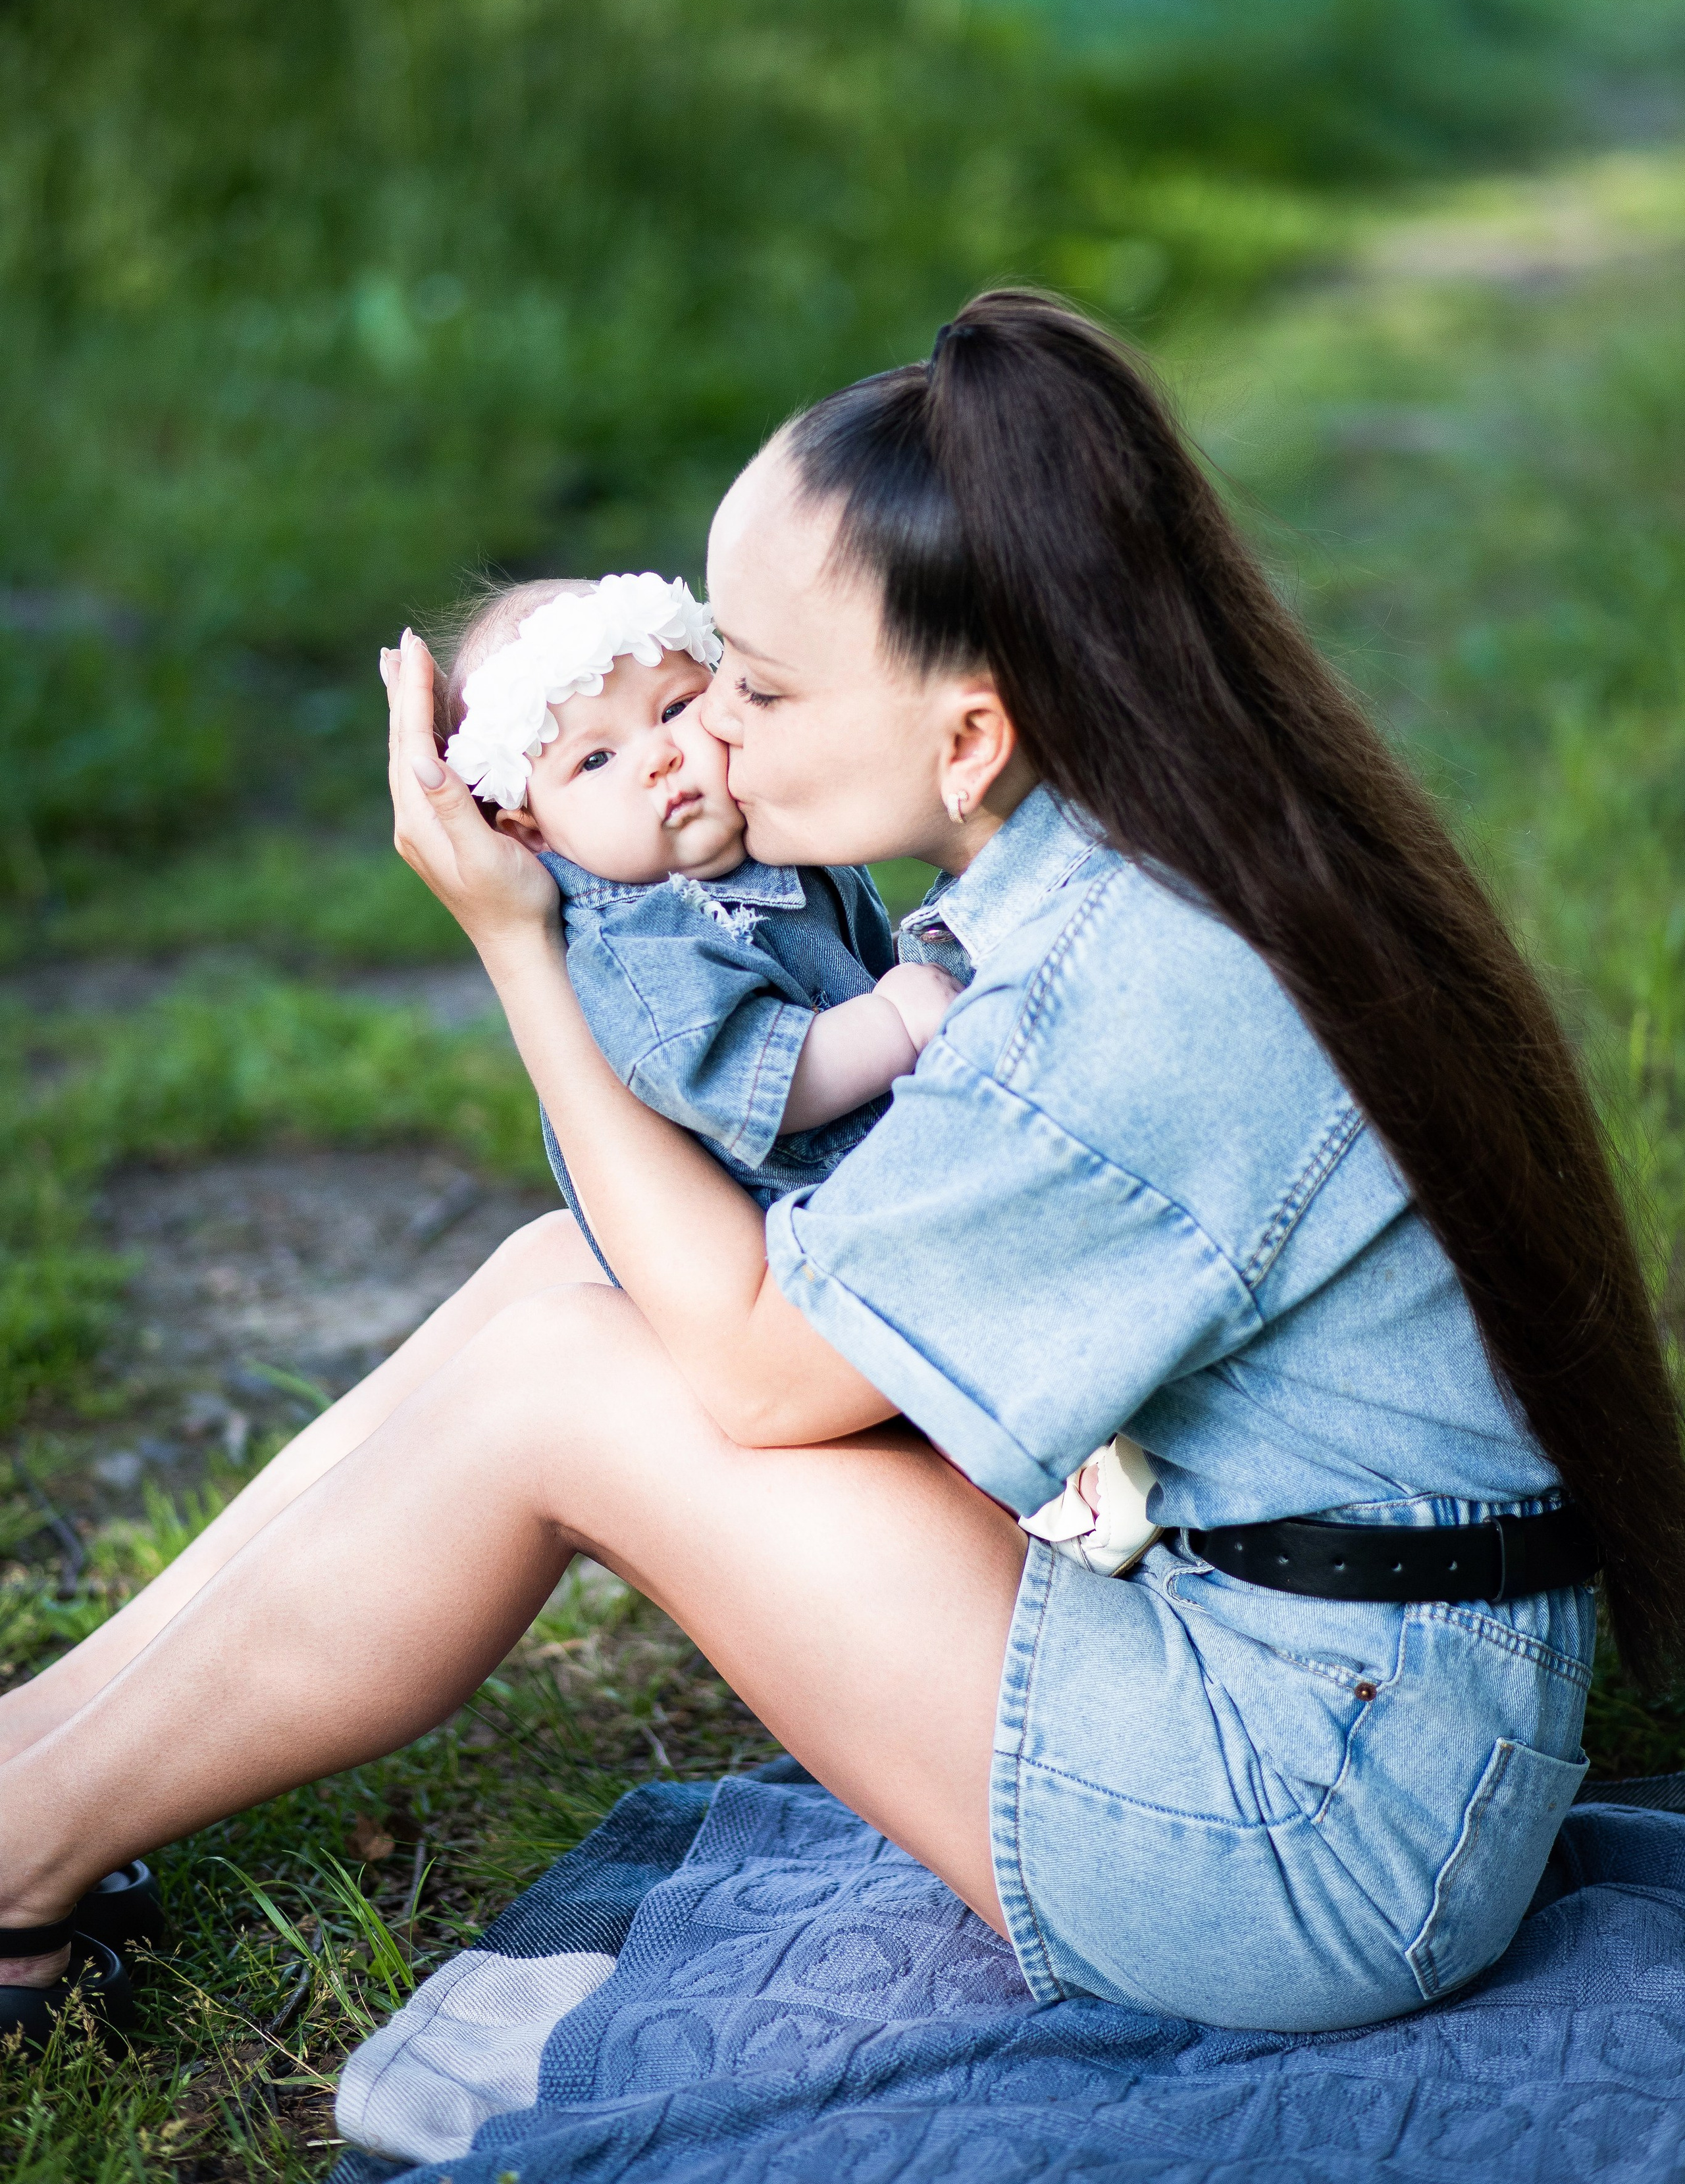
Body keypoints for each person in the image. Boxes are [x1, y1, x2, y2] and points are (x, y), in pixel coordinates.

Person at [3, 290, 1682, 2038]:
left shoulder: (1110, 1007)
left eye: (760, 684)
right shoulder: (1142, 841)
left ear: (968, 734)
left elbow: (746, 1372)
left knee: (572, 1385)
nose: (704, 731)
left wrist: (521, 949)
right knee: (553, 1280)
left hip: (1303, 1830)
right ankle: (35, 1758)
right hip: (1341, 1682)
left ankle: (16, 1851)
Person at [433, 569, 955, 1265]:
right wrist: (892, 1022)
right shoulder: (638, 944)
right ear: (532, 832)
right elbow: (740, 1079)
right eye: (595, 759)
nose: (658, 757)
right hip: (803, 1247)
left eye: (675, 708)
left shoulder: (776, 842)